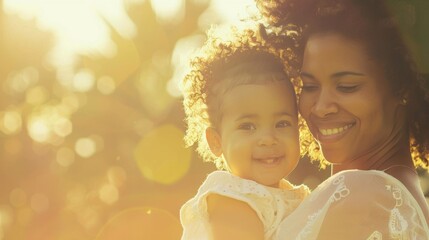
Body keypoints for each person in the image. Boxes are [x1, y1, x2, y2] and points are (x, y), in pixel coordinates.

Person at [255, 0, 429, 239]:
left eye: (347, 86)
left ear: (402, 88)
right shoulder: (408, 201)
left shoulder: (361, 193)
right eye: (310, 86)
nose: (321, 107)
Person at [179, 24, 310, 240]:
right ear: (216, 141)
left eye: (282, 123)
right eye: (247, 126)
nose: (268, 139)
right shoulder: (230, 198)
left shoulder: (295, 198)